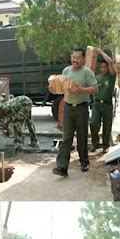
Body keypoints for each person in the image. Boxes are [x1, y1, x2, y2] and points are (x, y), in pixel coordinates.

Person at [52, 47, 98, 177]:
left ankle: (84, 161)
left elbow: (95, 89)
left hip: (81, 108)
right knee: (66, 138)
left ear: (83, 59)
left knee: (82, 137)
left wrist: (81, 90)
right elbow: (60, 87)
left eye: (78, 58)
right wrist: (54, 86)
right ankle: (62, 167)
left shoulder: (87, 73)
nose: (75, 60)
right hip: (67, 108)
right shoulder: (66, 71)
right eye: (73, 57)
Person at [89, 48, 116, 154]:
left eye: (105, 67)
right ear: (100, 68)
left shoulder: (111, 77)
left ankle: (105, 145)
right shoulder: (96, 78)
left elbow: (109, 61)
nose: (104, 69)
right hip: (96, 104)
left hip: (107, 105)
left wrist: (100, 52)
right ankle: (95, 144)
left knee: (107, 125)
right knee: (93, 123)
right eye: (102, 67)